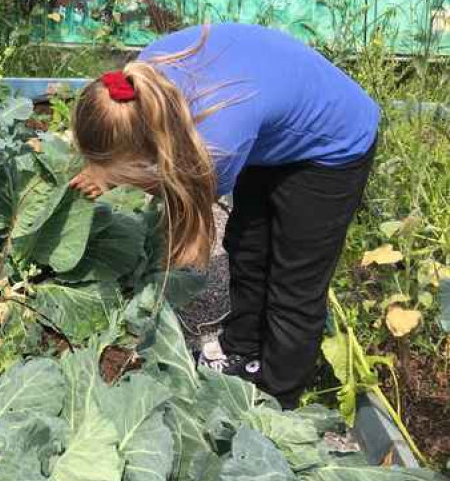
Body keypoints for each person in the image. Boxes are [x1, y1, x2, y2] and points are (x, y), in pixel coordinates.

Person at [69, 23, 379, 409]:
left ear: (150, 153)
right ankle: (242, 349)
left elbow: (185, 216)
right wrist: (110, 172)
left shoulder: (215, 145)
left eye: (129, 174)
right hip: (270, 124)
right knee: (247, 246)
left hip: (332, 144)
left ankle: (276, 401)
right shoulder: (135, 89)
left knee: (293, 285)